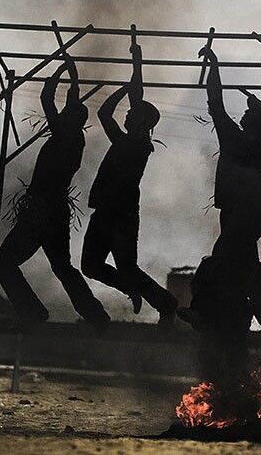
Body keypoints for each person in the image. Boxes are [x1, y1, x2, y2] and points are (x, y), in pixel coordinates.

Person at [183, 42, 261, 359]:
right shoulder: (230, 136)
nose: (246, 111)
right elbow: (215, 102)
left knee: (218, 259)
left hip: (252, 211)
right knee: (248, 273)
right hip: (233, 212)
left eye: (251, 110)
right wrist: (214, 66)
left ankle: (202, 311)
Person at [0, 57, 111, 332]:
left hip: (42, 211)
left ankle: (32, 311)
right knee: (62, 267)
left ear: (71, 118)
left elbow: (48, 96)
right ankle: (96, 315)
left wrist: (61, 70)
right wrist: (71, 73)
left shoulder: (64, 134)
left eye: (67, 112)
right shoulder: (74, 138)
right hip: (55, 210)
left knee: (4, 262)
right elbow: (67, 99)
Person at [81, 39, 177, 326]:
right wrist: (123, 87)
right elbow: (104, 114)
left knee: (127, 267)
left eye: (132, 113)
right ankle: (132, 289)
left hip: (121, 217)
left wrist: (136, 67)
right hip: (106, 213)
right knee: (91, 266)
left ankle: (165, 303)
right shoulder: (124, 141)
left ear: (142, 122)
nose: (127, 114)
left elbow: (136, 95)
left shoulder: (137, 145)